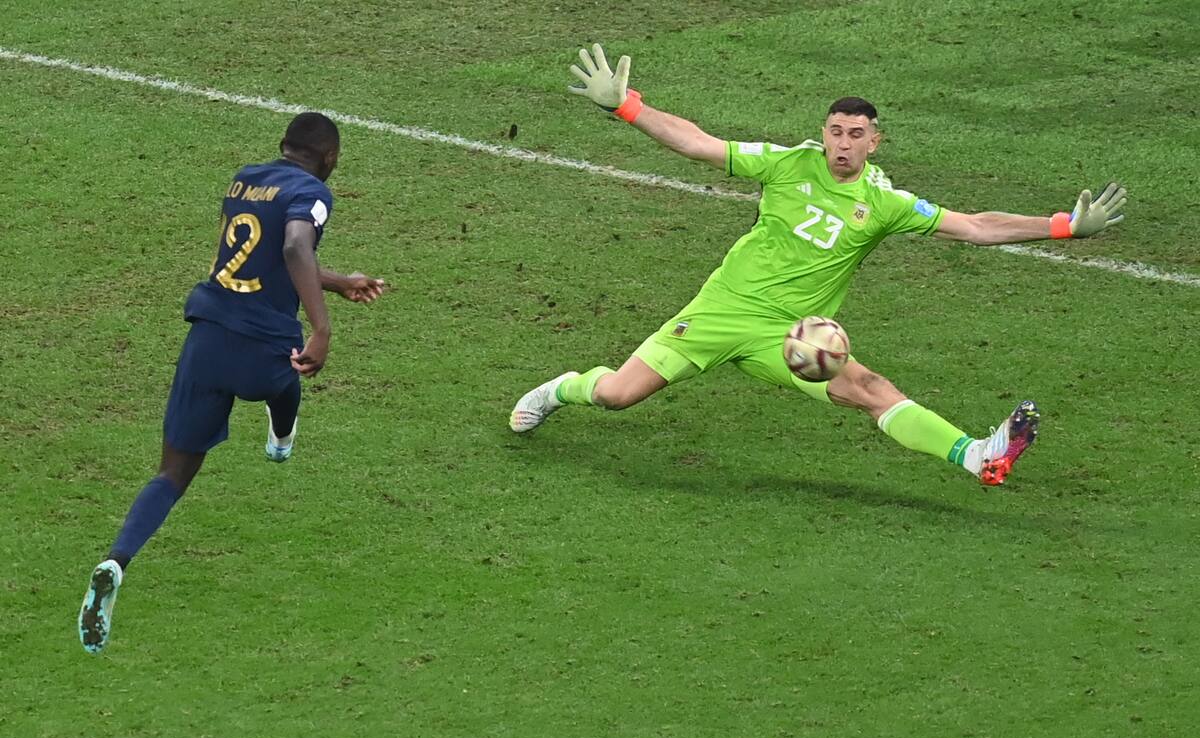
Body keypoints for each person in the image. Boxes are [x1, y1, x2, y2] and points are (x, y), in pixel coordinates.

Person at [511, 44, 1126, 488]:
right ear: (823, 132)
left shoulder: (884, 203)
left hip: (794, 339)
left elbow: (973, 226)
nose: (842, 143)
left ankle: (978, 455)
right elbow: (698, 142)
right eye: (835, 130)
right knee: (619, 394)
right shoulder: (785, 164)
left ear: (874, 141)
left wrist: (1064, 226)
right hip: (722, 312)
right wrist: (627, 108)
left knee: (872, 390)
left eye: (856, 134)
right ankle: (562, 388)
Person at [78, 112, 385, 654]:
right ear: (331, 157)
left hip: (207, 337)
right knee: (293, 373)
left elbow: (258, 254)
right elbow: (293, 248)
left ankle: (115, 561)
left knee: (172, 472)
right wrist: (322, 326)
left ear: (282, 145)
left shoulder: (245, 178)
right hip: (261, 343)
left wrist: (337, 283)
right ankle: (282, 440)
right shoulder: (313, 192)